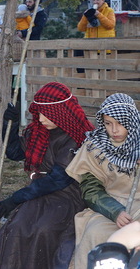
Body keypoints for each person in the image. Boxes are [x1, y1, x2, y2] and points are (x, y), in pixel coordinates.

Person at [0, 82, 94, 269]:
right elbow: (14, 152)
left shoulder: (76, 137)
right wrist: (9, 125)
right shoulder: (39, 131)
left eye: (46, 113)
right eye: (38, 113)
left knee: (44, 230)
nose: (40, 118)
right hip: (38, 193)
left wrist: (16, 198)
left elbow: (59, 179)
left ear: (60, 112)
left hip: (67, 196)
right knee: (16, 227)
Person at [65, 93, 140, 268]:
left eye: (120, 123)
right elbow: (91, 189)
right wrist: (115, 212)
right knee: (94, 234)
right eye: (108, 123)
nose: (114, 130)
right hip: (110, 205)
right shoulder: (95, 146)